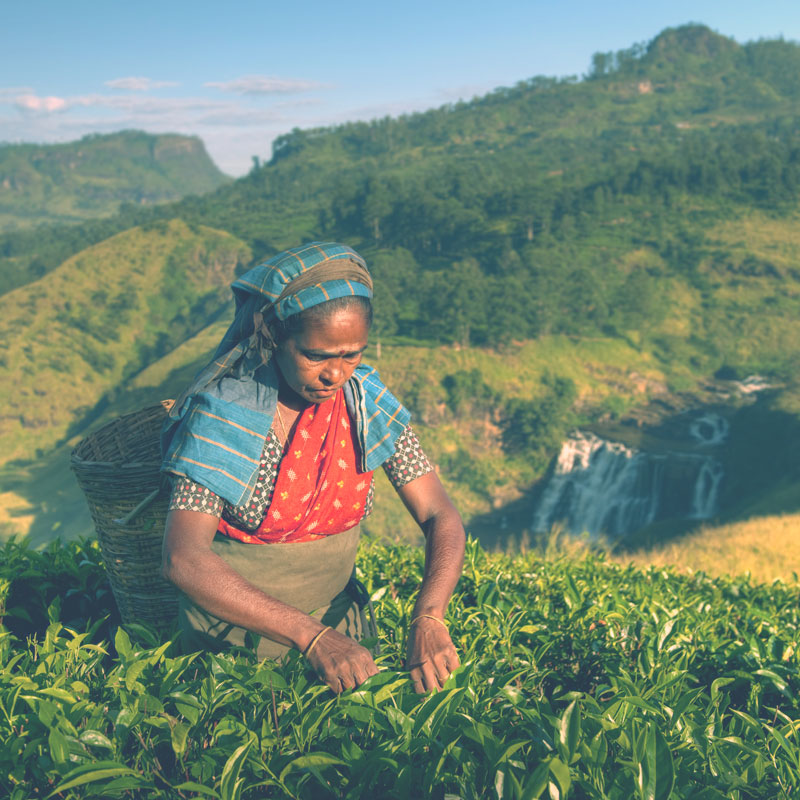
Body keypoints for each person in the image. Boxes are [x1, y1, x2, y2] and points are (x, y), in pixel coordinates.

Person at [160, 242, 465, 694]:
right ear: (275, 337)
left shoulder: (365, 402)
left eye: (352, 355)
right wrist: (311, 636)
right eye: (316, 355)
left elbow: (440, 516)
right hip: (230, 651)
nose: (335, 374)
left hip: (345, 641)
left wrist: (429, 616)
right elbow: (183, 558)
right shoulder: (226, 414)